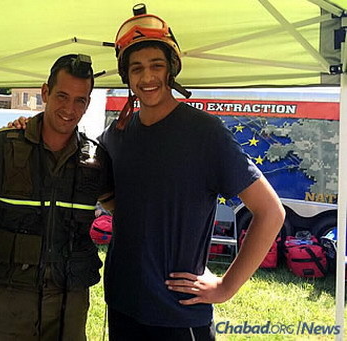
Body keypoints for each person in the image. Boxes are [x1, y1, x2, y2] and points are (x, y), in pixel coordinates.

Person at [99, 6, 285, 340]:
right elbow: (121, 200)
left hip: (178, 313)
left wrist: (226, 286)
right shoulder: (117, 135)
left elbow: (271, 211)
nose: (147, 77)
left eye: (157, 65)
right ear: (126, 76)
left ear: (171, 69)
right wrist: (28, 126)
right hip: (122, 304)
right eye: (136, 68)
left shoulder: (204, 133)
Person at [0, 54, 113, 340]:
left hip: (69, 302)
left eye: (80, 100)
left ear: (87, 104)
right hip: (9, 297)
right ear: (45, 92)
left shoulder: (95, 159)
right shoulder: (5, 146)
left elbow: (124, 208)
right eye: (62, 96)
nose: (69, 108)